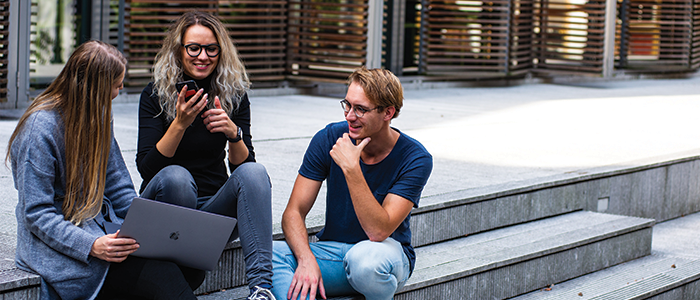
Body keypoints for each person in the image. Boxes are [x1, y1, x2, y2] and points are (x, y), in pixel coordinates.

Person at [7, 40, 203, 300]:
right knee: (162, 276)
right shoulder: (39, 130)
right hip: (65, 245)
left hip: (103, 229)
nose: (119, 91)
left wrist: (143, 230)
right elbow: (37, 213)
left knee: (190, 269)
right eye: (117, 85)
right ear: (94, 88)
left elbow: (118, 186)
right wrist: (91, 245)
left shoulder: (97, 115)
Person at [136, 10, 275, 300]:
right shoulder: (155, 95)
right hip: (166, 207)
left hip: (212, 211)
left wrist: (232, 133)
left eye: (211, 49)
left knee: (256, 172)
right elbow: (147, 169)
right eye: (194, 48)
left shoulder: (233, 95)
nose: (203, 56)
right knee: (177, 177)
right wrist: (179, 124)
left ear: (221, 51)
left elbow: (245, 172)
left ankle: (262, 289)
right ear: (179, 50)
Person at [271, 67, 433, 300]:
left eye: (361, 109)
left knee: (365, 261)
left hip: (383, 256)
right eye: (347, 105)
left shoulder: (415, 158)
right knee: (268, 254)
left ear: (388, 112)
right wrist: (306, 260)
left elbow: (378, 231)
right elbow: (293, 212)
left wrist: (351, 168)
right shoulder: (329, 137)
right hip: (334, 252)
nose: (349, 116)